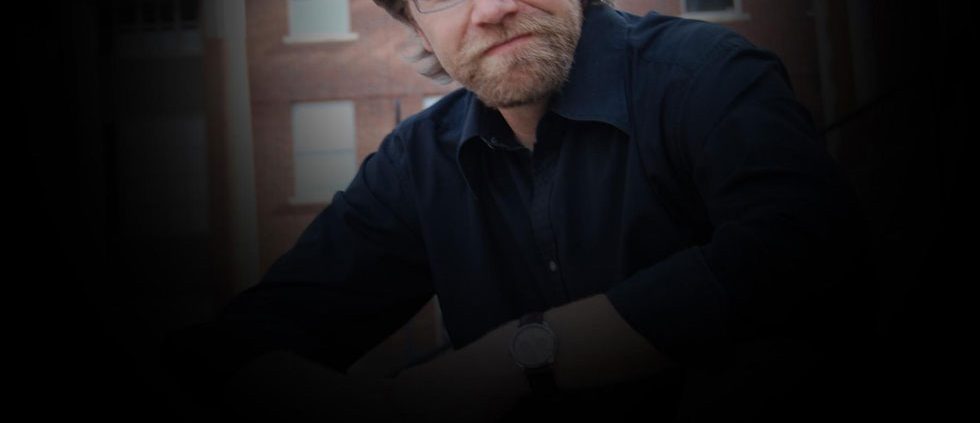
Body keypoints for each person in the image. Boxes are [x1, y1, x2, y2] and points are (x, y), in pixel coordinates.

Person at [162, 0, 876, 422]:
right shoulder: (416, 163)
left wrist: (521, 356)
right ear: (416, 28)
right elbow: (238, 344)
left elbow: (807, 250)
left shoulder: (706, 75)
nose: (491, 7)